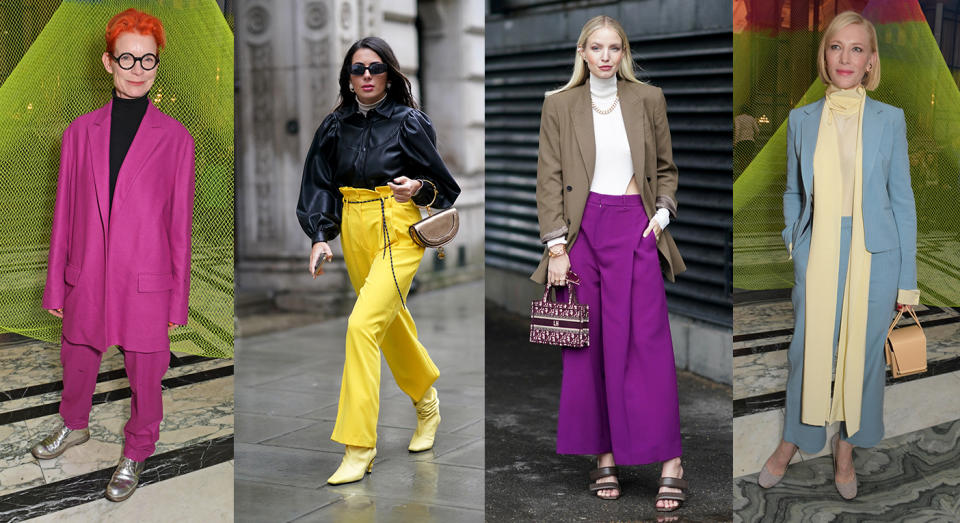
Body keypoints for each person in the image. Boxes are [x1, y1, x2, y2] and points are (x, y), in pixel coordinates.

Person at [31, 8, 195, 502]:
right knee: (77, 357)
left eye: (148, 59)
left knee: (147, 375)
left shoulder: (176, 139)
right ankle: (73, 424)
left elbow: (180, 228)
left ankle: (137, 449)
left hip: (147, 281)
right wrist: (58, 283)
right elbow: (64, 213)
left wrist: (177, 300)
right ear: (108, 62)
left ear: (157, 64)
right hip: (87, 277)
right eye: (127, 57)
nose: (138, 68)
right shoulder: (78, 133)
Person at [758, 11, 918, 500]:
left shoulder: (891, 119)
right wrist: (794, 240)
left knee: (865, 356)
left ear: (871, 61)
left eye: (856, 49)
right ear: (825, 56)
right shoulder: (801, 119)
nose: (845, 58)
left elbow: (903, 200)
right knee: (806, 350)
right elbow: (792, 191)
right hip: (819, 247)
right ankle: (795, 439)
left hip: (877, 253)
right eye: (836, 47)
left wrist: (906, 279)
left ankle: (845, 450)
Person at [532, 15, 688, 511]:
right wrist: (557, 249)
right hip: (581, 235)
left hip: (635, 226)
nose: (604, 56)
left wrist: (661, 213)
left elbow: (665, 166)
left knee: (649, 344)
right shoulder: (558, 105)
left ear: (623, 53)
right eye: (595, 47)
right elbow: (549, 179)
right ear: (582, 52)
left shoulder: (648, 99)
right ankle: (603, 457)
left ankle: (670, 462)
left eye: (613, 48)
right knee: (588, 349)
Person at [296, 36, 460, 485]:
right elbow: (319, 183)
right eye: (357, 69)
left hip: (400, 229)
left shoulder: (409, 122)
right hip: (353, 226)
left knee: (361, 325)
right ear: (347, 78)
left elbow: (443, 188)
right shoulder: (333, 126)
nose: (366, 76)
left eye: (375, 68)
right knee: (387, 320)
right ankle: (427, 402)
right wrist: (319, 235)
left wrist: (416, 190)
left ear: (389, 73)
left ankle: (359, 446)